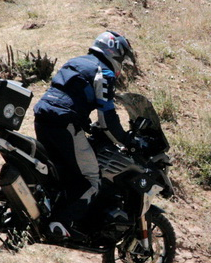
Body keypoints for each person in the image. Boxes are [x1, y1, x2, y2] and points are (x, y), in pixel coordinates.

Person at [33, 30, 136, 240]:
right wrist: (126, 140)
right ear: (114, 53)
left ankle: (44, 208)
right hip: (65, 124)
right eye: (122, 60)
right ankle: (59, 223)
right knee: (91, 179)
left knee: (58, 171)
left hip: (42, 117)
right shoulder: (104, 72)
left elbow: (66, 95)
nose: (121, 65)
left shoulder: (76, 61)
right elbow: (107, 117)